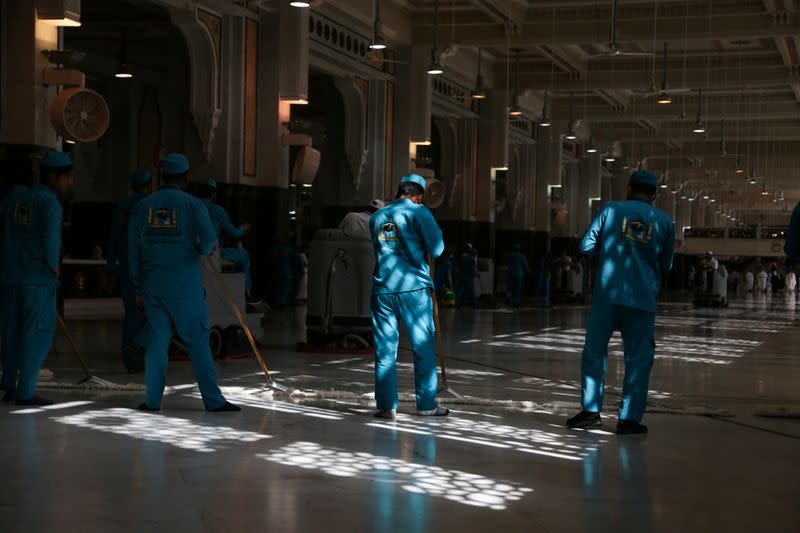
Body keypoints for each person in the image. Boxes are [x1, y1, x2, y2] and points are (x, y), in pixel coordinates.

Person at [566, 170, 675, 435]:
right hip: (642, 299)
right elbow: (667, 264)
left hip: (608, 295)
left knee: (595, 352)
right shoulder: (665, 222)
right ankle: (629, 420)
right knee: (638, 359)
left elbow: (586, 245)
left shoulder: (610, 210)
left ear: (628, 189)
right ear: (654, 195)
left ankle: (591, 412)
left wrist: (611, 253)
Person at [128, 153, 238, 412]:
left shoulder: (144, 205)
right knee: (198, 343)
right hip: (184, 287)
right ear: (186, 177)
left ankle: (153, 401)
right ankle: (213, 401)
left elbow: (132, 250)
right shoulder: (193, 205)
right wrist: (199, 250)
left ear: (163, 176)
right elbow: (210, 239)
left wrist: (137, 285)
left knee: (156, 344)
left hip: (153, 286)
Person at [369, 174, 446, 420]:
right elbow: (437, 249)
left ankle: (387, 406)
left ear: (397, 191)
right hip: (413, 290)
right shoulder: (420, 212)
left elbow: (381, 248)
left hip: (383, 289)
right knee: (422, 347)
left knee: (384, 349)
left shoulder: (378, 217)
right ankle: (426, 406)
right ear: (420, 195)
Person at [0, 150, 73, 405]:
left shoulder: (14, 197)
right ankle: (26, 392)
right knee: (36, 333)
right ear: (52, 177)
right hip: (37, 280)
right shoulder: (50, 203)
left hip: (9, 277)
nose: (69, 183)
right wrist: (54, 268)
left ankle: (8, 384)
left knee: (10, 332)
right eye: (66, 178)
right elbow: (50, 239)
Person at [106, 169, 152, 373]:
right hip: (145, 267)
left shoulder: (122, 207)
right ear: (149, 185)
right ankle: (138, 356)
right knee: (146, 313)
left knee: (131, 312)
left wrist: (110, 270)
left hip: (125, 267)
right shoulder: (150, 206)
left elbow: (113, 239)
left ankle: (129, 357)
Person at [197, 179, 259, 305]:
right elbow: (234, 233)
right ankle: (247, 294)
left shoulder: (191, 206)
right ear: (214, 194)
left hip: (194, 255)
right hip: (214, 254)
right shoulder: (217, 210)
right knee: (244, 256)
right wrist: (242, 228)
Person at [456, 243, 479, 308]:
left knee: (460, 290)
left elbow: (459, 267)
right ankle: (475, 303)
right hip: (469, 276)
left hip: (462, 276)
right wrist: (476, 274)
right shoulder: (472, 259)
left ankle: (457, 303)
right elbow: (473, 268)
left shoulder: (463, 257)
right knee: (472, 290)